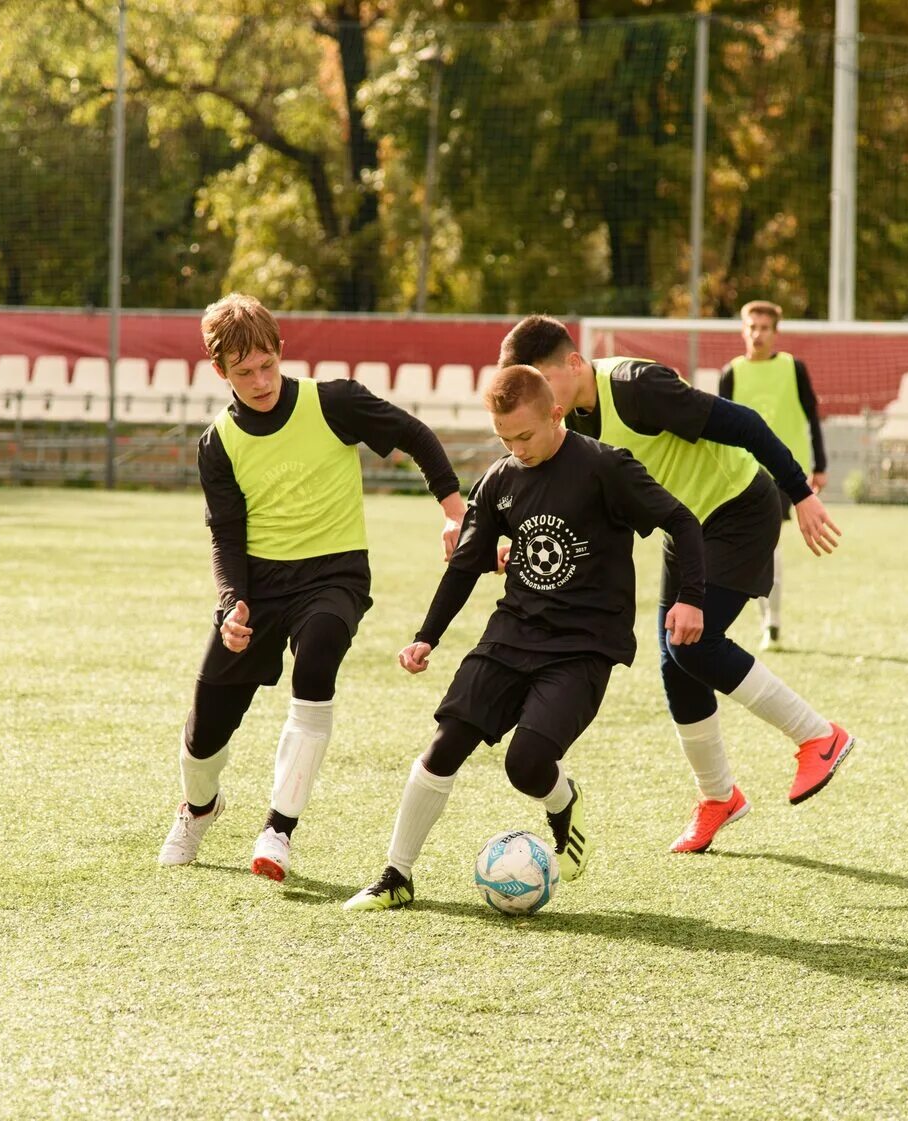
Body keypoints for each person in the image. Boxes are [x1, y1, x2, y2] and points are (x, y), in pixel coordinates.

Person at [344, 364, 707, 911]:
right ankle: (396, 875)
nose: (517, 448)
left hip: (584, 645)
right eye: (505, 438)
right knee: (444, 746)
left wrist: (690, 595)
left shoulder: (606, 467)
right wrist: (427, 637)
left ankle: (563, 806)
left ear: (555, 414)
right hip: (511, 634)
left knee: (526, 763)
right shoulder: (499, 480)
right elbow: (466, 566)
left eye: (525, 435)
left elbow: (682, 521)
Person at [499, 315, 857, 856]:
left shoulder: (638, 387)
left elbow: (746, 423)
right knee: (675, 660)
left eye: (545, 384)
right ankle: (718, 798)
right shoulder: (570, 419)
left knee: (697, 642)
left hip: (740, 509)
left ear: (574, 364)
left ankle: (818, 736)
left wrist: (800, 494)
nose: (541, 399)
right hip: (686, 528)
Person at [158, 293, 466, 882]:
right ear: (219, 371)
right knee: (202, 739)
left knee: (321, 648)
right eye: (243, 372)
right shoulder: (217, 443)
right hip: (258, 586)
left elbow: (413, 434)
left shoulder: (334, 402)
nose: (260, 380)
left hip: (334, 573)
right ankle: (200, 808)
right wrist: (232, 605)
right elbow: (226, 534)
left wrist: (453, 509)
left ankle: (279, 828)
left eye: (267, 365)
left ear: (281, 352)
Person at [719, 300, 828, 650]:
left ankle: (773, 623)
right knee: (753, 550)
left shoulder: (793, 369)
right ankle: (764, 619)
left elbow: (812, 417)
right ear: (743, 330)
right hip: (742, 474)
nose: (757, 333)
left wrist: (820, 465)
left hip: (783, 473)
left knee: (770, 547)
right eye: (752, 327)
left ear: (775, 332)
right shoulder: (730, 373)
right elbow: (718, 430)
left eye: (764, 327)